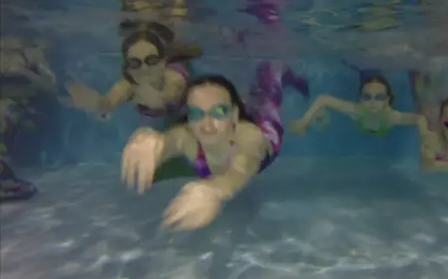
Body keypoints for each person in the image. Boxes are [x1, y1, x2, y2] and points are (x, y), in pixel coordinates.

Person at [120, 62, 309, 230]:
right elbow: (169, 140)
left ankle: (280, 70)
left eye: (219, 112)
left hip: (267, 126)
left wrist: (214, 190)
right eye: (197, 114)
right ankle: (239, 99)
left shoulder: (251, 136)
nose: (207, 124)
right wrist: (151, 141)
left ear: (234, 115)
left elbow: (240, 169)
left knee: (269, 89)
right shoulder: (189, 136)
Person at [65, 23, 201, 120]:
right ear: (128, 69)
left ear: (163, 62)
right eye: (135, 63)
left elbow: (171, 93)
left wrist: (159, 100)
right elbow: (109, 101)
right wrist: (98, 103)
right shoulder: (128, 86)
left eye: (152, 61)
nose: (144, 69)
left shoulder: (173, 78)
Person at [289, 65, 429, 137]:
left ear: (387, 100)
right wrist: (304, 122)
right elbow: (323, 99)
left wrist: (426, 137)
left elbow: (420, 119)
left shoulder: (390, 116)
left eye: (379, 98)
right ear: (360, 99)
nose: (372, 102)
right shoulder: (356, 110)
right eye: (367, 97)